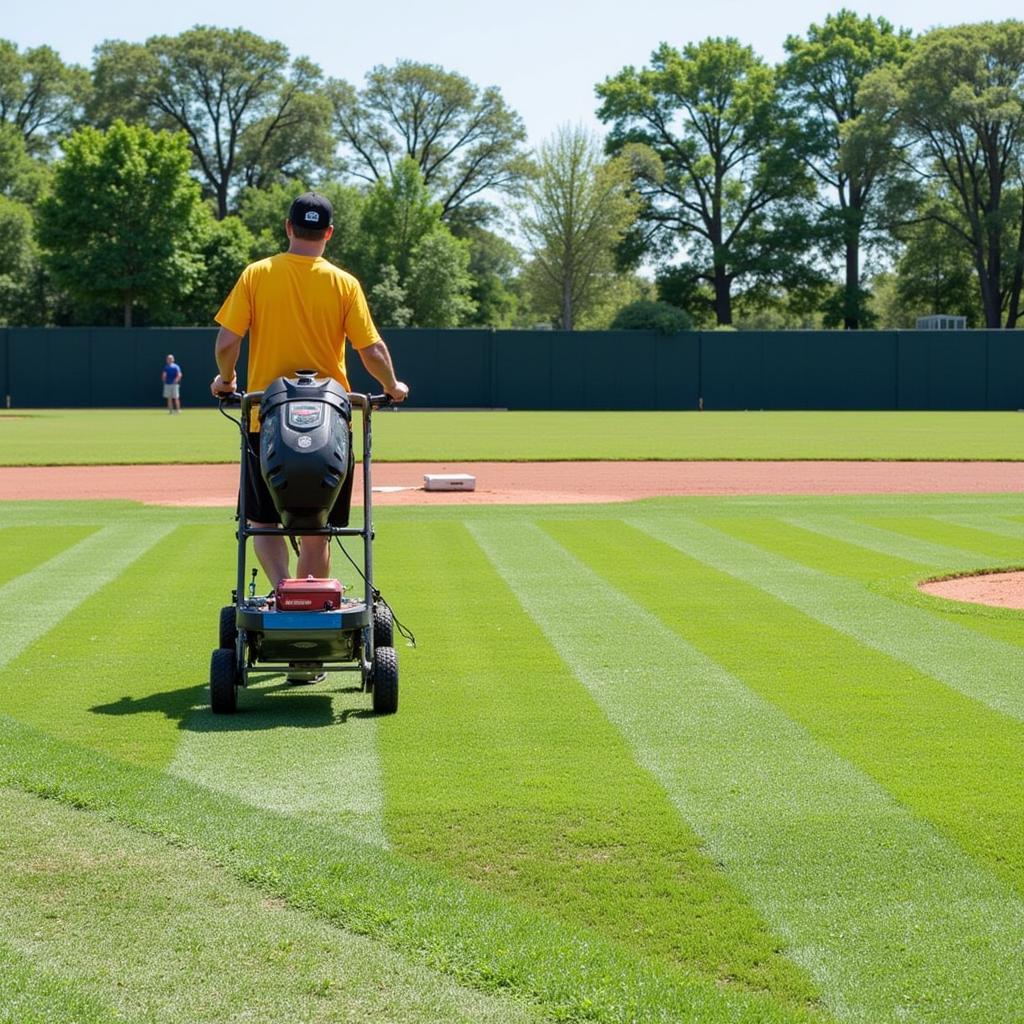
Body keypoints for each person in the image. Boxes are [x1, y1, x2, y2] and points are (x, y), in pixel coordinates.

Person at [210, 190, 409, 596]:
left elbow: (227, 342)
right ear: (329, 233)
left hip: (265, 420)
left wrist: (226, 380)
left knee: (261, 520)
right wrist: (392, 387)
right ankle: (309, 598)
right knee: (320, 525)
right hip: (330, 423)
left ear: (288, 227)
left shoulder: (257, 274)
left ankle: (286, 591)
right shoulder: (344, 283)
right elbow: (371, 349)